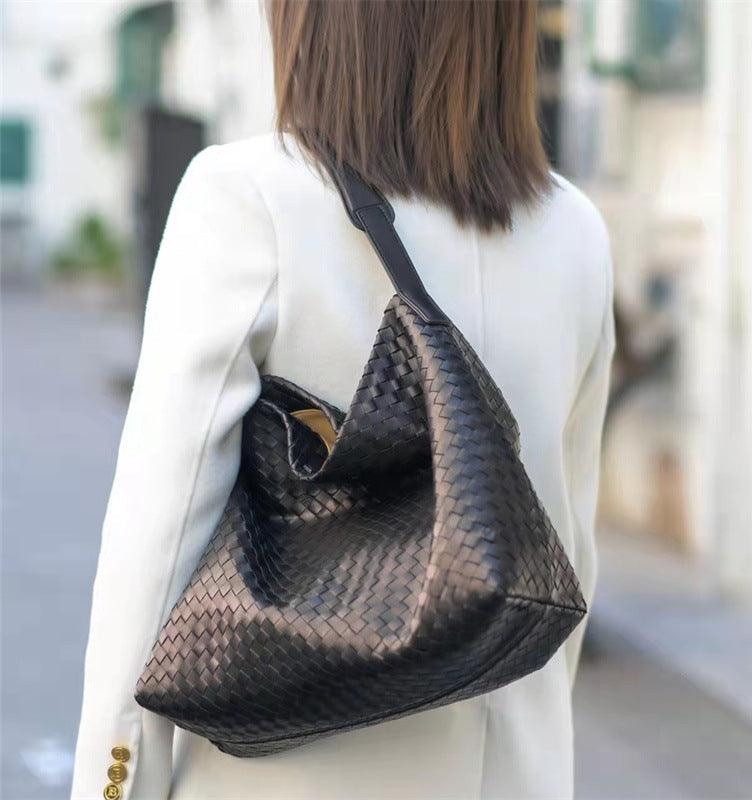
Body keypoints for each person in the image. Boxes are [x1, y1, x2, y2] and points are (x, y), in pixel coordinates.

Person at [71, 2, 614, 798]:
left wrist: (113, 785)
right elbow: (566, 554)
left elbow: (155, 547)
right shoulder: (575, 230)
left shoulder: (247, 198)